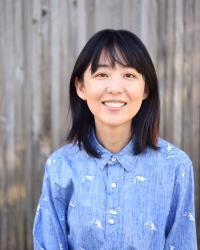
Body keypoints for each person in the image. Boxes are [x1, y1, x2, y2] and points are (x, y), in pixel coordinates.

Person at [33, 29, 197, 250]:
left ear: (146, 88)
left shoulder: (176, 166)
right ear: (81, 87)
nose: (115, 88)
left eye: (129, 75)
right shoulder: (60, 166)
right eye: (102, 75)